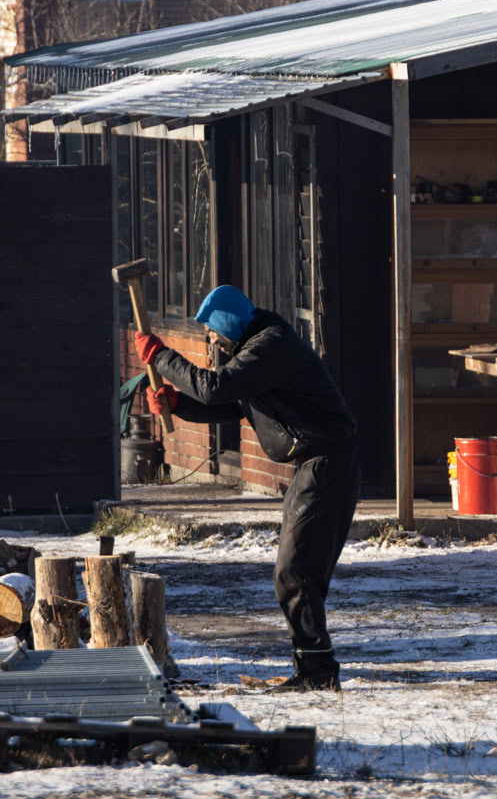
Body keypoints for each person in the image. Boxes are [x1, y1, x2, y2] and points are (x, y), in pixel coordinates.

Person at [136, 284, 359, 692]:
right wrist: (176, 405)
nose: (211, 340)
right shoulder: (256, 351)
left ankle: (317, 671)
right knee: (297, 572)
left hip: (329, 463)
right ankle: (313, 665)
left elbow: (214, 387)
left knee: (295, 573)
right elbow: (228, 404)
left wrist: (161, 357)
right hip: (317, 464)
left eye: (211, 331)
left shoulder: (269, 345)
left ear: (226, 323)